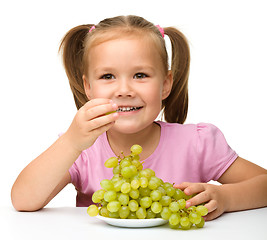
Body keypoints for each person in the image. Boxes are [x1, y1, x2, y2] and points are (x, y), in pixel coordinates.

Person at [11, 15, 267, 221]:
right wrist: (70, 142)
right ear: (88, 88)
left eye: (141, 75)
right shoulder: (80, 149)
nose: (124, 90)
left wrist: (226, 198)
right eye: (108, 76)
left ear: (165, 84)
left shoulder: (197, 143)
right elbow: (23, 201)